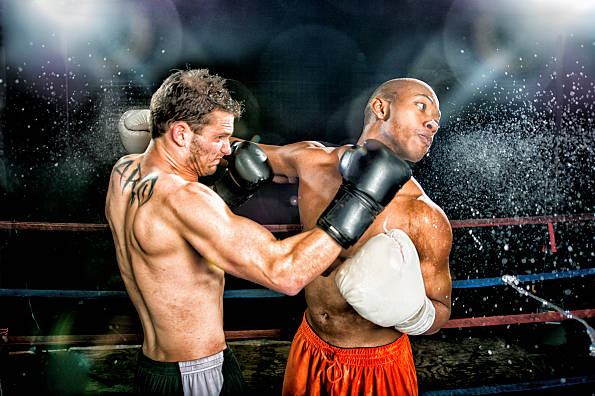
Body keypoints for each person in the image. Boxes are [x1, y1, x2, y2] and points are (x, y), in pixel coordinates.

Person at [107, 69, 412, 396]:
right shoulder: (187, 201)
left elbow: (168, 241)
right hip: (195, 375)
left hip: (154, 368)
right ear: (181, 133)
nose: (228, 149)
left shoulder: (124, 172)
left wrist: (226, 194)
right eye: (219, 138)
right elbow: (285, 273)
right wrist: (362, 199)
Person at [253, 78, 454, 395]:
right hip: (309, 347)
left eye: (437, 119)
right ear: (381, 107)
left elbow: (441, 308)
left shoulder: (424, 216)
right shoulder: (312, 161)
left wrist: (413, 314)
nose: (433, 122)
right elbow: (238, 155)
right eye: (422, 105)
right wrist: (167, 133)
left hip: (380, 368)